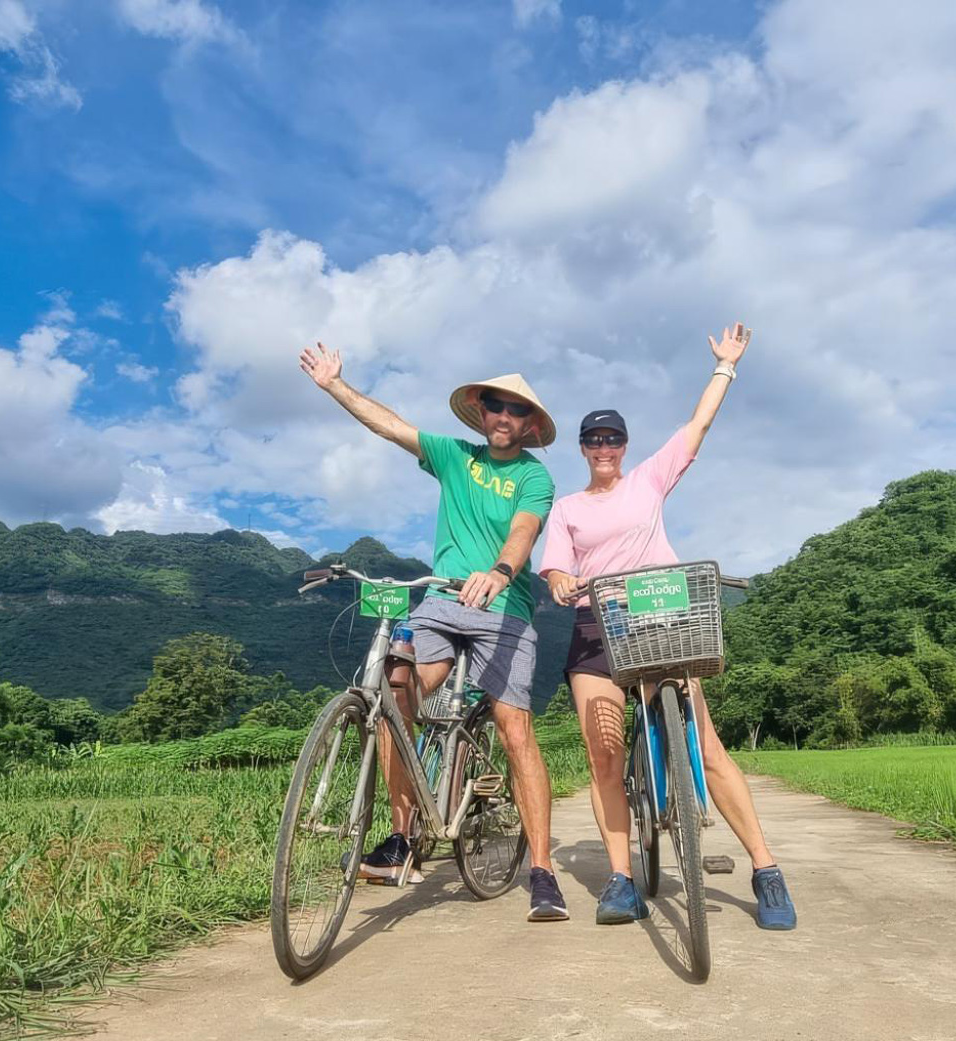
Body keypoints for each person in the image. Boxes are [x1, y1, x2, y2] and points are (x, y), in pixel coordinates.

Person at [297, 343, 571, 922]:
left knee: (515, 729)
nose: (503, 417)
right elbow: (390, 426)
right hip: (442, 601)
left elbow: (524, 530)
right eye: (495, 405)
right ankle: (402, 840)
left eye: (515, 411)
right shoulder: (455, 457)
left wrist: (500, 571)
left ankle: (543, 871)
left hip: (505, 609)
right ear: (482, 411)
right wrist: (334, 386)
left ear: (529, 424)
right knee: (397, 697)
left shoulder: (533, 476)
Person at [539, 322, 798, 930]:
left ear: (625, 446)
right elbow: (553, 565)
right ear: (581, 449)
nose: (604, 447)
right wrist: (558, 581)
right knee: (603, 755)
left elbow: (697, 427)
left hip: (661, 618)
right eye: (593, 440)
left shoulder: (650, 479)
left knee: (705, 748)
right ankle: (622, 880)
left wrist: (725, 367)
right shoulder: (569, 508)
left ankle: (766, 870)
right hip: (595, 627)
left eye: (613, 439)